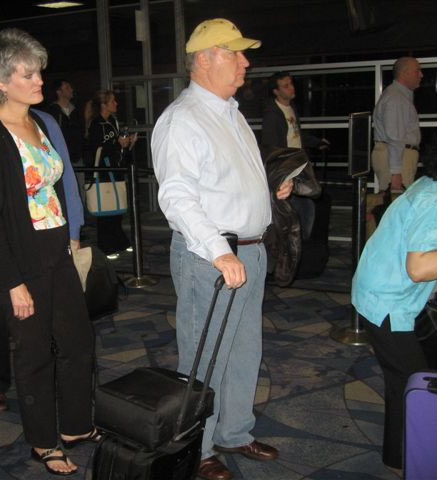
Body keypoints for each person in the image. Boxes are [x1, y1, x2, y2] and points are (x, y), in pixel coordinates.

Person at [151, 18, 292, 480]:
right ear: (205, 59)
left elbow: (224, 182)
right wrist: (219, 251)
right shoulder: (183, 119)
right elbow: (177, 197)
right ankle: (198, 447)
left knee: (244, 349)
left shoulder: (229, 113)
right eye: (235, 53)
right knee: (205, 356)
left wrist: (268, 191)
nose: (245, 62)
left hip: (248, 251)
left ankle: (233, 431)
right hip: (211, 257)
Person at [0, 28, 97, 476]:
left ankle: (76, 426)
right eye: (29, 74)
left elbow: (56, 186)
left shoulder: (39, 123)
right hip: (20, 258)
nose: (40, 80)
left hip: (55, 249)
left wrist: (71, 236)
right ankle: (43, 441)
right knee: (34, 353)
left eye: (39, 71)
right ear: (2, 82)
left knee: (78, 342)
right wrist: (13, 282)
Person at [0, 72, 84, 413]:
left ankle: (58, 391)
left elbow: (65, 178)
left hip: (44, 238)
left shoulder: (43, 122)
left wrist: (74, 230)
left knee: (51, 323)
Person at [352, 113, 437, 474]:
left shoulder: (433, 184)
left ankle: (398, 458)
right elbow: (418, 268)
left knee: (403, 381)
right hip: (388, 303)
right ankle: (410, 462)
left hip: (378, 292)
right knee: (416, 384)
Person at [261, 71, 329, 239]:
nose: (291, 88)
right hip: (288, 171)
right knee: (301, 211)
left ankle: (301, 245)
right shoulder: (272, 115)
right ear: (276, 91)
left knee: (306, 208)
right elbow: (271, 147)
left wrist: (316, 142)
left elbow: (296, 135)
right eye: (286, 86)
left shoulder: (290, 108)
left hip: (297, 167)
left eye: (291, 84)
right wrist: (281, 173)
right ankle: (298, 246)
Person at [85, 89, 135, 259]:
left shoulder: (113, 121)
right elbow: (96, 149)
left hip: (115, 168)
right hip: (103, 171)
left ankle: (119, 241)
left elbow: (115, 147)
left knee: (116, 208)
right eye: (113, 101)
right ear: (104, 104)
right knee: (106, 209)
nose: (116, 104)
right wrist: (118, 144)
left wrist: (127, 144)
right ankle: (106, 246)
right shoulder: (96, 124)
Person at [372, 57, 423, 194]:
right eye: (417, 71)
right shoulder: (396, 98)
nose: (421, 75)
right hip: (397, 158)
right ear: (404, 73)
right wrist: (395, 172)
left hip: (398, 157)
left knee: (395, 200)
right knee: (396, 201)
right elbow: (394, 137)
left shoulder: (399, 95)